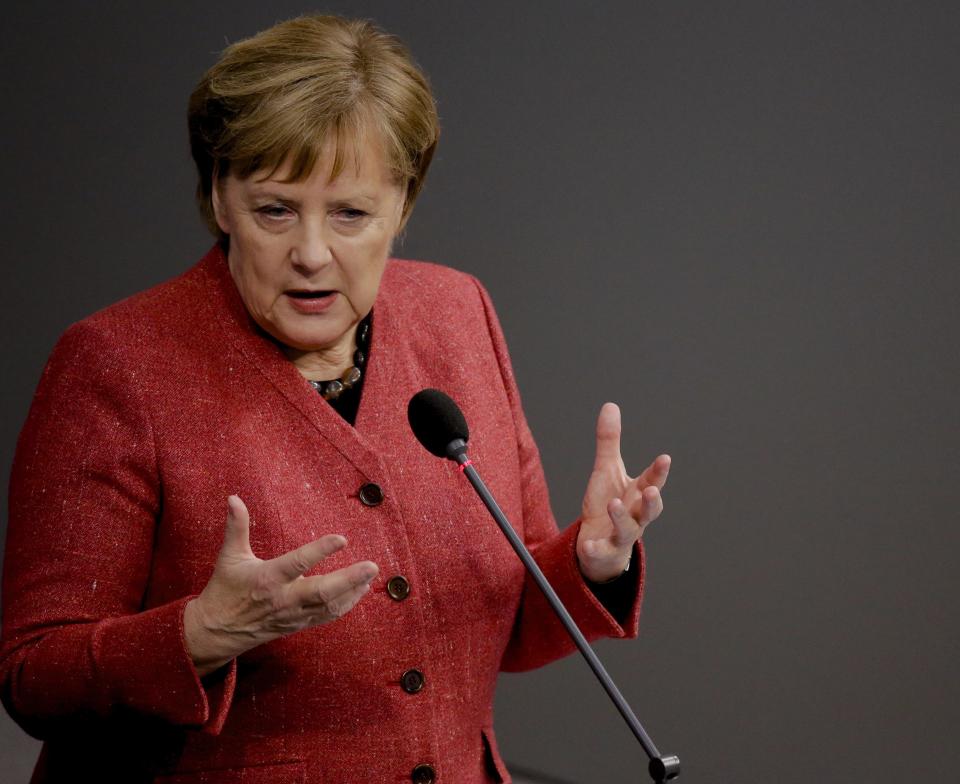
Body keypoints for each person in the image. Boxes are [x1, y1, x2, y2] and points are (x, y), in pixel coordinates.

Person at [0, 14, 670, 784]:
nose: (312, 254)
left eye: (351, 213)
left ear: (402, 207)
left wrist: (589, 564)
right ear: (220, 199)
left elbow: (501, 627)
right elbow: (34, 676)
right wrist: (200, 633)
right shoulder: (117, 366)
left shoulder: (458, 313)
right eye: (275, 210)